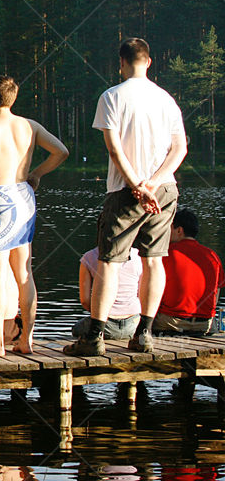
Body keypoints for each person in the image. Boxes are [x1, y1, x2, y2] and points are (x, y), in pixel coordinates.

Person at [65, 37, 187, 356]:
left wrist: (137, 186)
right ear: (149, 62)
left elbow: (114, 149)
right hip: (163, 191)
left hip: (124, 192)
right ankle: (144, 334)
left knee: (109, 262)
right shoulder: (166, 100)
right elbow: (180, 149)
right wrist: (154, 184)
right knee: (154, 261)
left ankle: (94, 338)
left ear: (121, 64)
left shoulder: (112, 97)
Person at [0, 75, 69, 356]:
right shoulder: (30, 126)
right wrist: (34, 174)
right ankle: (26, 341)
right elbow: (61, 151)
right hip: (25, 197)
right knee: (24, 273)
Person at [153, 210, 223, 335]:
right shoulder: (212, 256)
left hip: (172, 321)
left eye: (169, 228)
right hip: (204, 323)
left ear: (179, 230)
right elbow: (216, 295)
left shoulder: (165, 253)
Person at [71, 247, 142, 340]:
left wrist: (98, 314)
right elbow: (141, 295)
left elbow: (85, 301)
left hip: (104, 325)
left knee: (77, 328)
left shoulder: (89, 257)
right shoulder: (138, 256)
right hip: (134, 325)